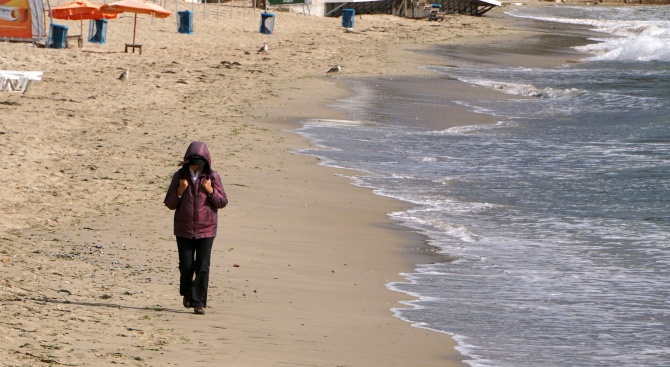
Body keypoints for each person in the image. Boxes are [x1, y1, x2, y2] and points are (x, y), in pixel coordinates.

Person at [164, 141, 228, 315]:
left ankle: (198, 303)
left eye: (198, 165)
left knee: (202, 266)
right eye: (192, 163)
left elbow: (222, 202)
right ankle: (187, 291)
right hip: (183, 228)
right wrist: (179, 191)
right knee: (186, 266)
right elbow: (169, 203)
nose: (195, 167)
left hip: (206, 228)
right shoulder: (180, 176)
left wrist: (210, 191)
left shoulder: (212, 177)